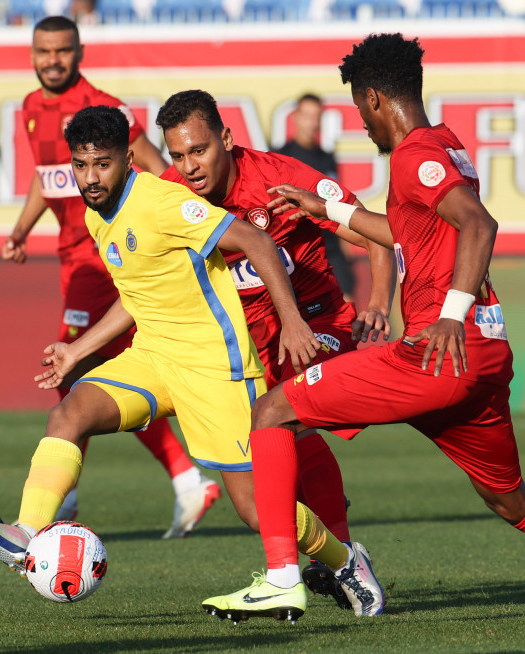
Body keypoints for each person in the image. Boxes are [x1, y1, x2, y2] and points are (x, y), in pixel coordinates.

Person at [203, 33, 525, 627]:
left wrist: (451, 316)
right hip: (482, 358)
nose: (363, 124)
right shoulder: (445, 146)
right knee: (510, 500)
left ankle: (282, 578)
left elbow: (479, 224)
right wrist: (325, 209)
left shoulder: (413, 154)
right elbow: (408, 231)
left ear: (375, 99)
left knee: (274, 410)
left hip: (437, 353)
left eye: (360, 110)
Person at [0, 105, 381, 622]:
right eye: (81, 166)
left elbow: (255, 239)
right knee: (71, 414)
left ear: (127, 159)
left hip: (215, 368)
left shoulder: (164, 203)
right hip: (155, 356)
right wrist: (79, 349)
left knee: (255, 508)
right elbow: (139, 293)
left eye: (102, 165)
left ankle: (344, 562)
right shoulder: (97, 213)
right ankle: (27, 531)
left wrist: (293, 321)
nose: (90, 178)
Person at [156, 89, 395, 616]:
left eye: (199, 150)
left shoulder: (282, 177)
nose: (189, 167)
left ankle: (291, 571)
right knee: (277, 448)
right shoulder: (169, 195)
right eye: (177, 155)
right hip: (247, 340)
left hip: (315, 322)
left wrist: (379, 303)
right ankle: (341, 559)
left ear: (226, 138)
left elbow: (376, 234)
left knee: (285, 417)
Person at [7, 15, 220, 538]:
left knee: (74, 370)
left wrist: (165, 234)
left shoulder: (101, 110)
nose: (51, 60)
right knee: (102, 370)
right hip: (69, 256)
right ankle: (186, 479)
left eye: (61, 51)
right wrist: (20, 229)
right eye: (43, 51)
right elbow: (47, 178)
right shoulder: (32, 109)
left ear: (78, 52)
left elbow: (151, 168)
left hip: (101, 260)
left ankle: (61, 502)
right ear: (32, 54)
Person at [273, 93, 357, 301]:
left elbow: (340, 201)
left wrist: (347, 247)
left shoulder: (327, 157)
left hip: (332, 243)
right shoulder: (280, 157)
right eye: (307, 115)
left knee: (347, 302)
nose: (312, 122)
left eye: (316, 116)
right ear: (295, 117)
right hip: (299, 243)